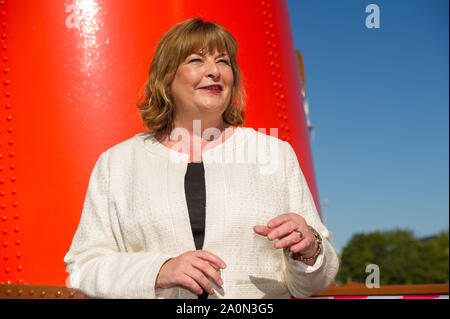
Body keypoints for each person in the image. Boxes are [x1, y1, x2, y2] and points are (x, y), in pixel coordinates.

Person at [64, 18, 339, 299]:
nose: (214, 72)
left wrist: (310, 249)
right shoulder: (117, 163)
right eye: (197, 60)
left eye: (223, 62)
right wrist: (159, 270)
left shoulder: (275, 154)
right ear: (167, 77)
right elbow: (85, 266)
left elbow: (316, 280)